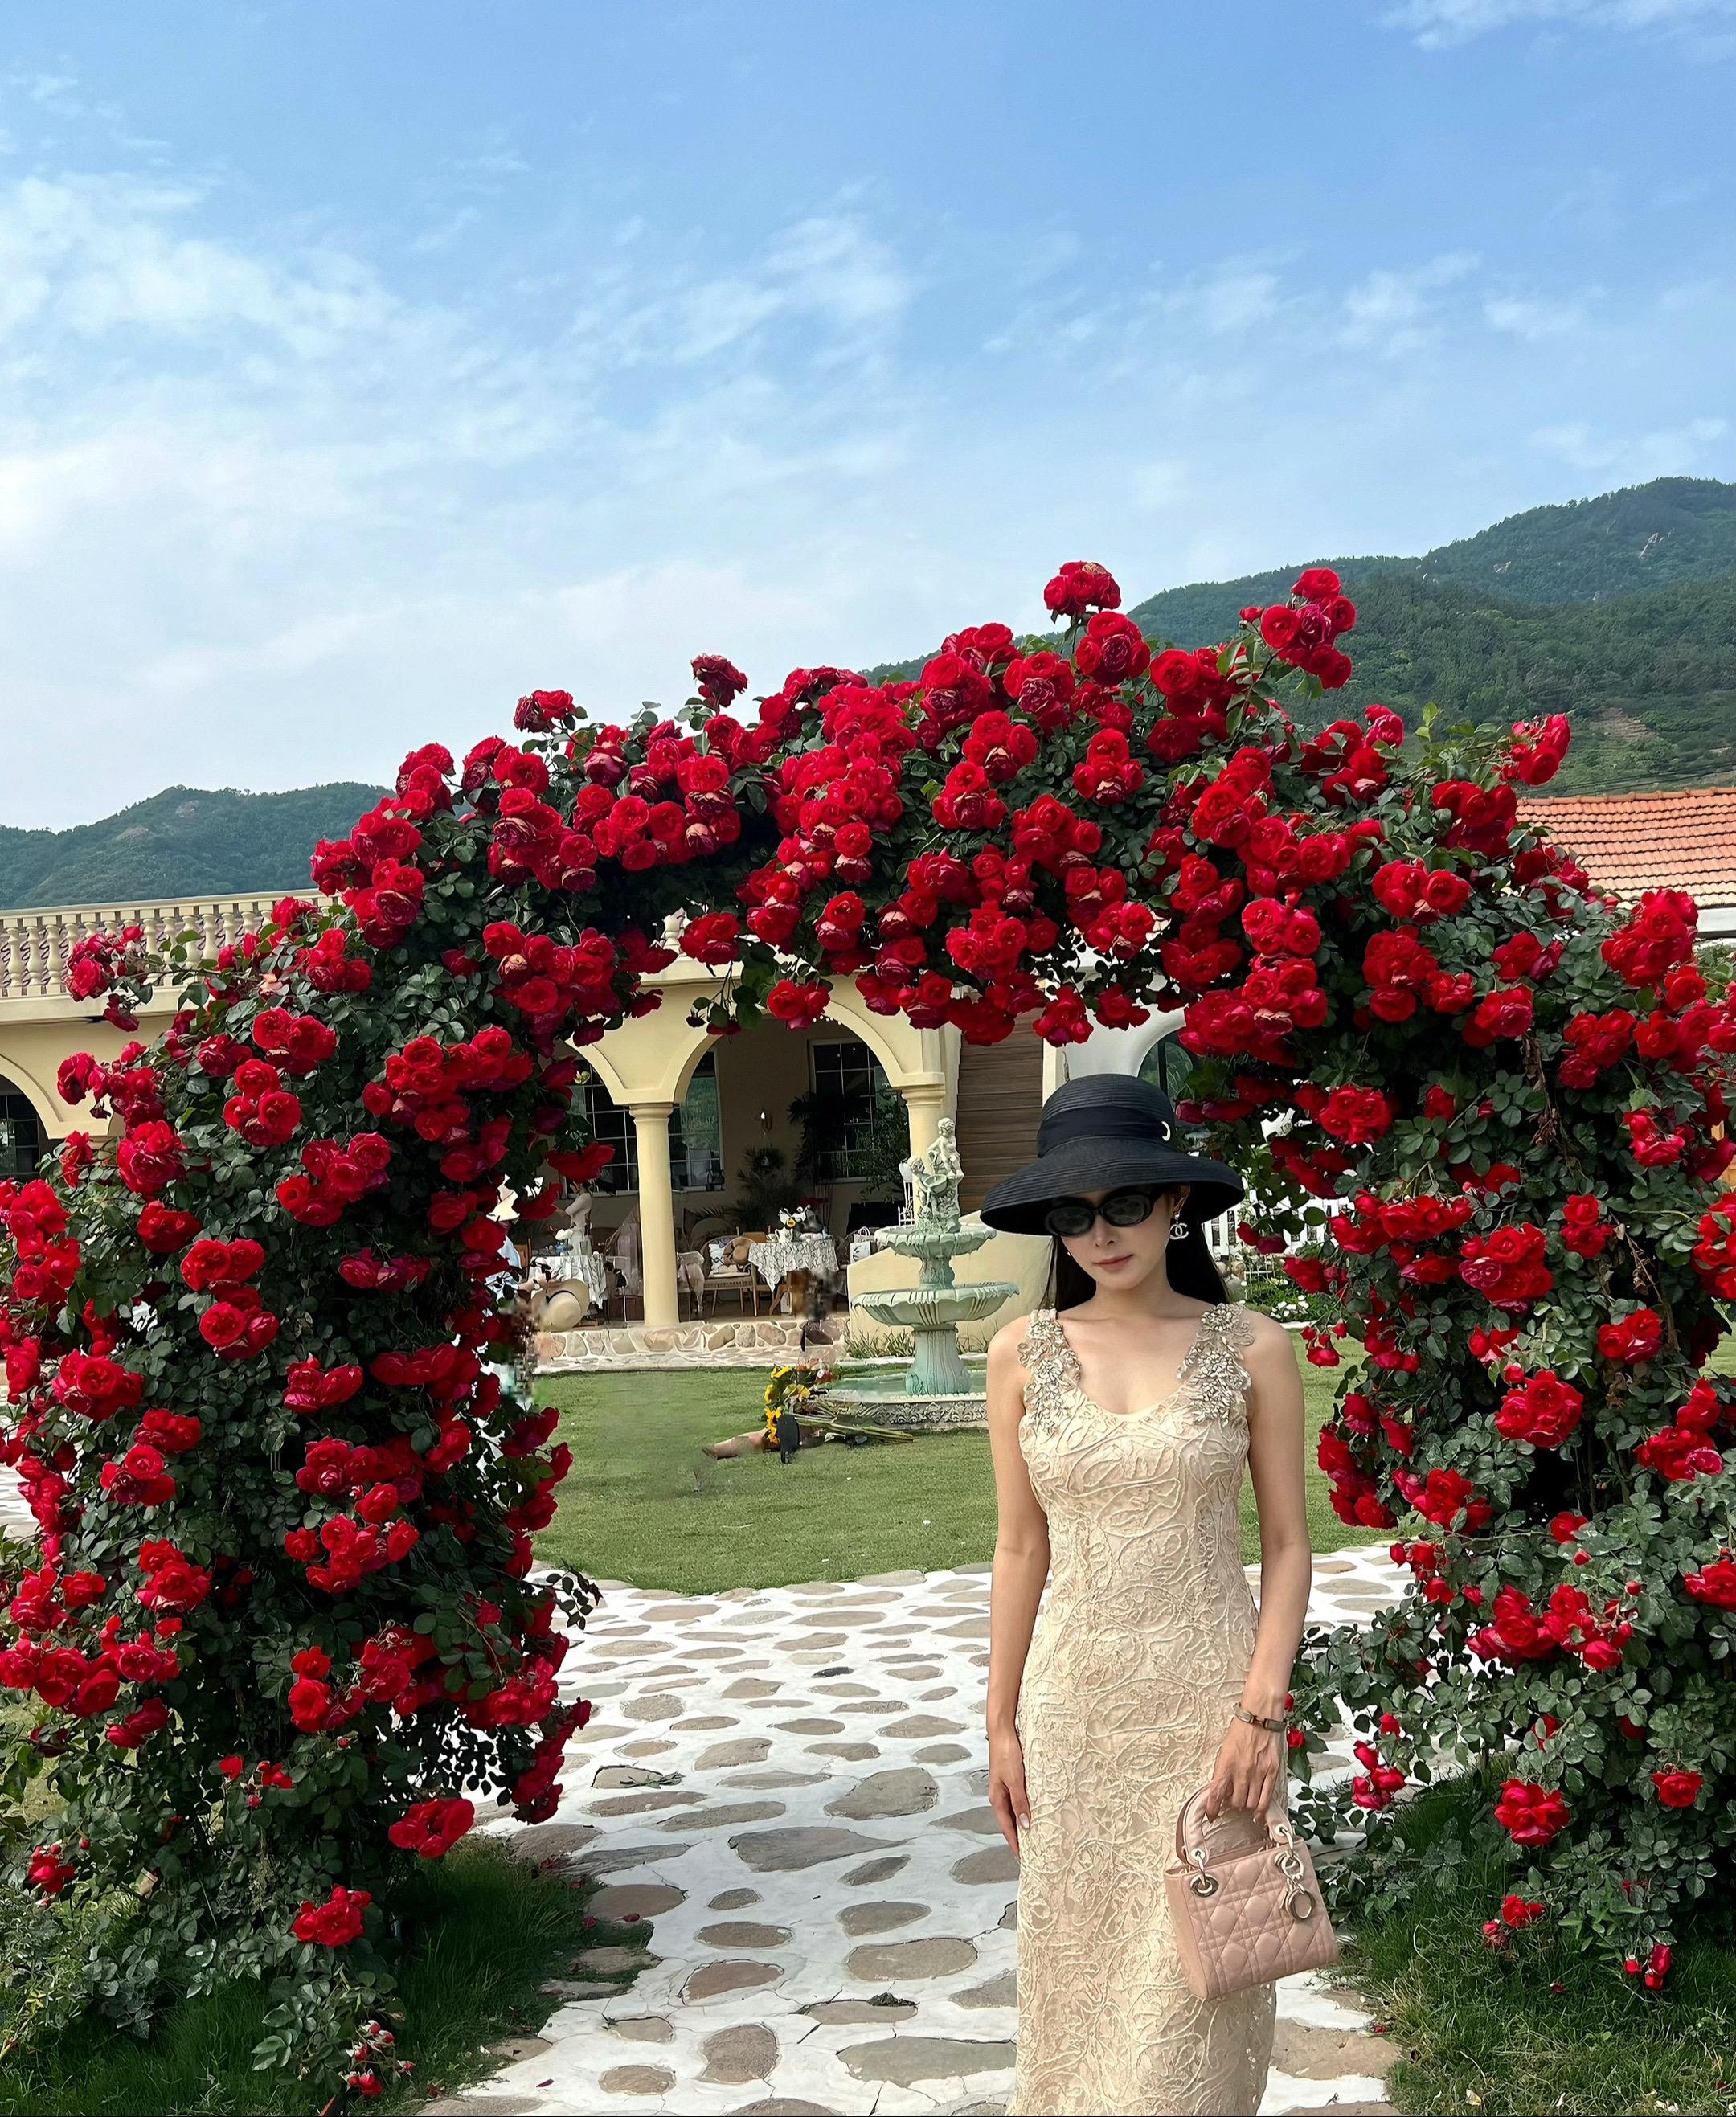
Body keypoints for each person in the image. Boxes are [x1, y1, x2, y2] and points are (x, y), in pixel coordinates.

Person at [977, 1071, 1312, 2117]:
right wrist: (999, 1724)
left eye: (1124, 1202)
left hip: (1210, 1714)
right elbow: (1020, 1547)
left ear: (1175, 1201)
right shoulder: (1019, 1353)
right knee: (1077, 1993)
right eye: (1072, 1214)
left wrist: (1261, 1712)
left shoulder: (1253, 1347)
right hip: (1074, 1716)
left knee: (1199, 2000)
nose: (1101, 1234)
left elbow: (1289, 1545)